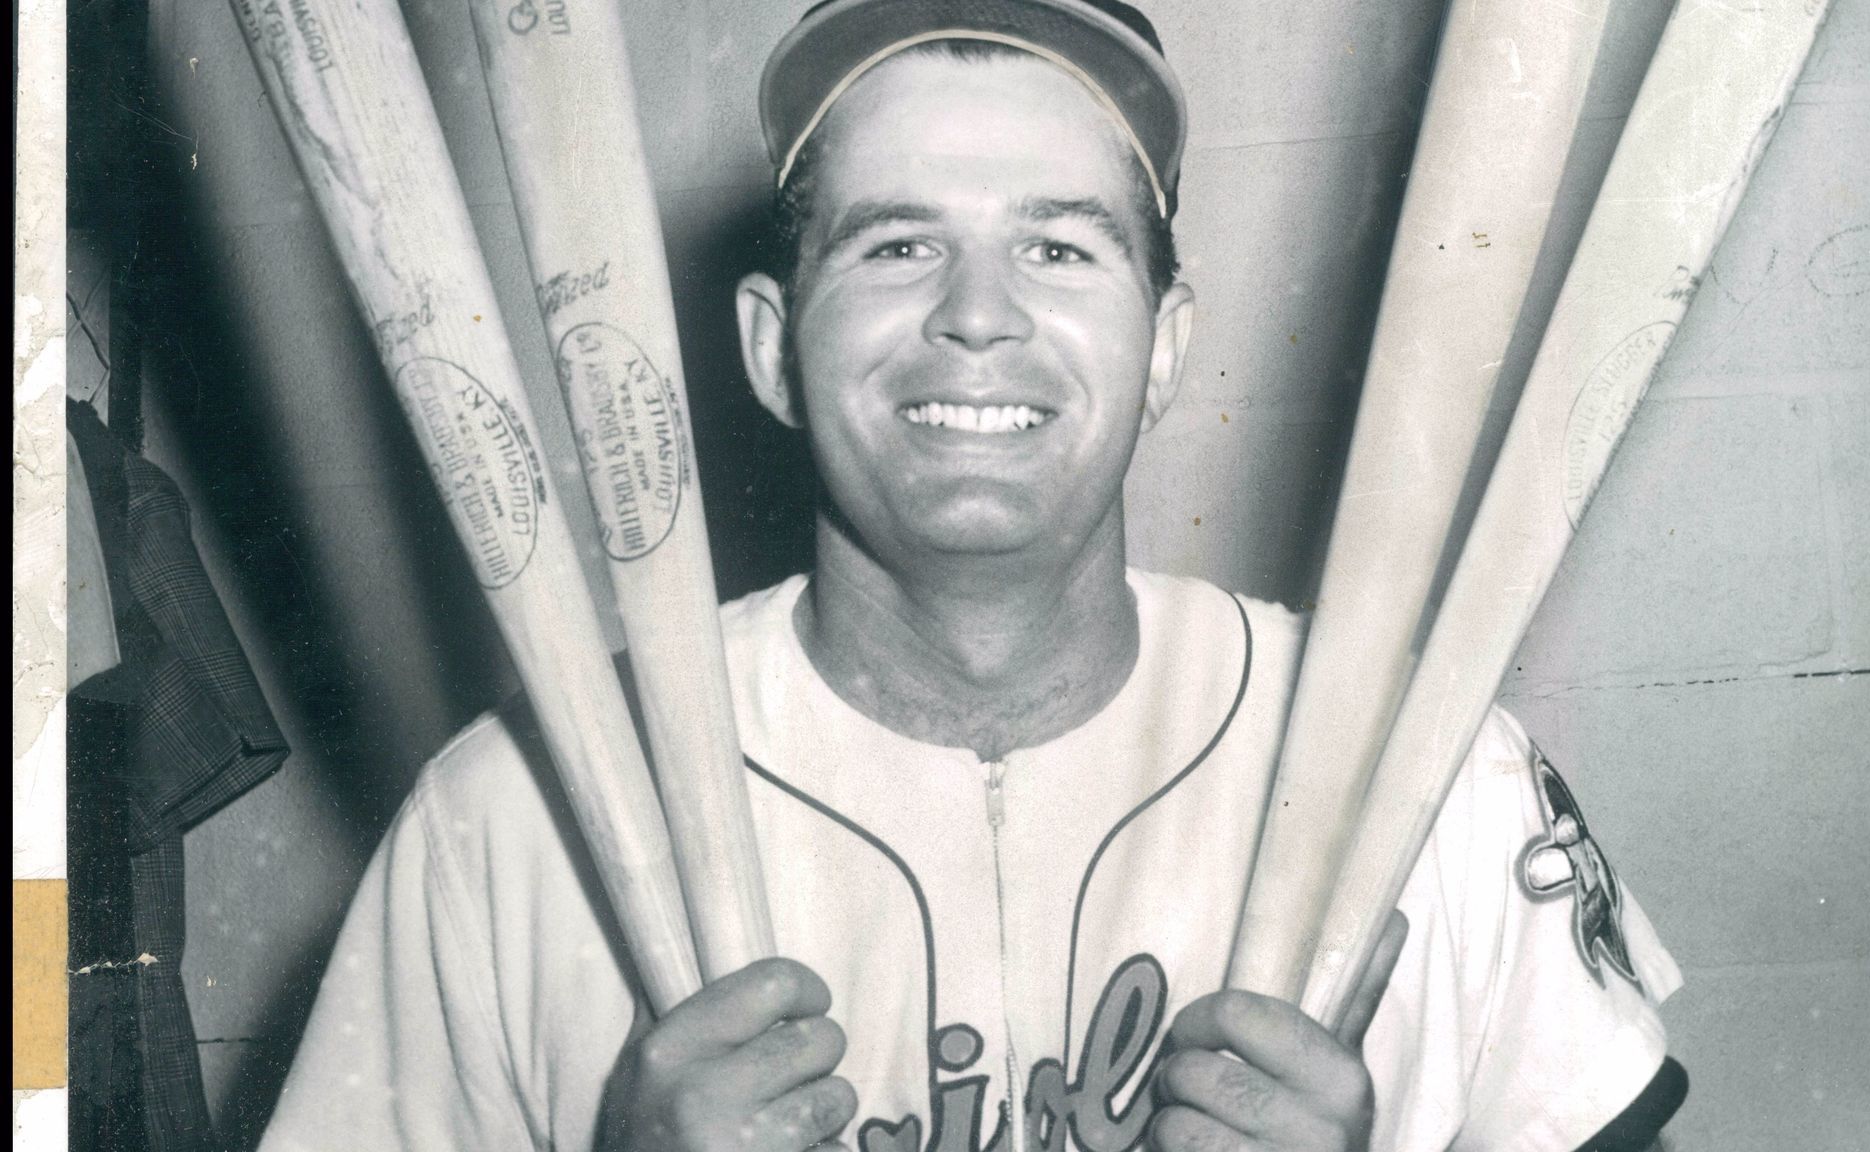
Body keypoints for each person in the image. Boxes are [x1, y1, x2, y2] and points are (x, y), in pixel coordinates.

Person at [260, 2, 1687, 1150]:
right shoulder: (509, 817)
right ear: (769, 348)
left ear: (1167, 345)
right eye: (897, 246)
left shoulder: (1434, 776)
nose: (978, 317)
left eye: (1059, 246)